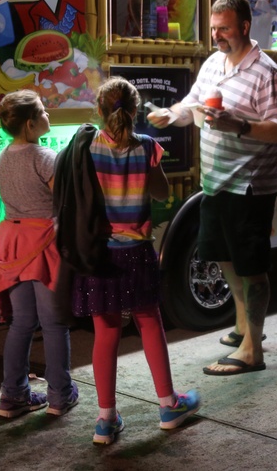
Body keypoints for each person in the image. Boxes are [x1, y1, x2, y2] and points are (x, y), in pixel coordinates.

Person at [148, 0, 277, 376]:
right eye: (213, 29)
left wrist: (240, 125)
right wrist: (171, 113)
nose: (217, 36)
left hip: (249, 187)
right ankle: (244, 326)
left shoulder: (266, 73)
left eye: (224, 28)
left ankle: (252, 351)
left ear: (245, 27)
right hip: (214, 182)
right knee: (222, 256)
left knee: (251, 266)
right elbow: (192, 104)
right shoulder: (213, 63)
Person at [68, 77, 200, 444]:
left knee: (106, 332)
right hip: (137, 251)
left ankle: (105, 420)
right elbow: (160, 193)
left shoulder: (87, 148)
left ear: (99, 110)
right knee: (150, 324)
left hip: (100, 253)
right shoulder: (146, 147)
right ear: (137, 110)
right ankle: (168, 405)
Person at [0, 90, 77, 419]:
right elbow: (63, 202)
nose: (49, 115)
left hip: (13, 244)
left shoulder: (2, 158)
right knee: (53, 324)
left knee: (21, 323)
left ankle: (13, 396)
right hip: (43, 243)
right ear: (30, 124)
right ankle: (59, 395)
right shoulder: (44, 157)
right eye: (43, 112)